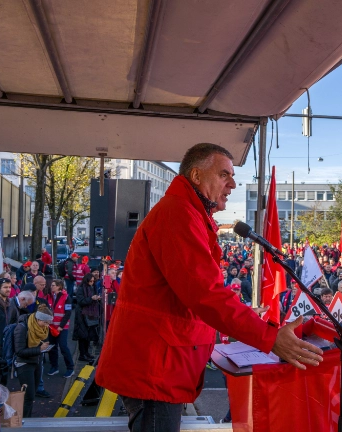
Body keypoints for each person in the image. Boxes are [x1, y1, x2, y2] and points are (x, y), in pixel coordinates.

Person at [96, 143, 323, 431]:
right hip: (154, 368)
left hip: (162, 365)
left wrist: (246, 317)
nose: (233, 183)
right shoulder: (178, 213)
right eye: (224, 174)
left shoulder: (187, 213)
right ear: (196, 176)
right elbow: (205, 294)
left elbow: (191, 294)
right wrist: (268, 337)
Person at [14, 305, 54, 418]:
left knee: (31, 395)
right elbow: (19, 351)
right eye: (45, 322)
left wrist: (43, 348)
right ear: (38, 319)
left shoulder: (41, 328)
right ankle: (24, 422)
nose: (47, 326)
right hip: (24, 364)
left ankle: (27, 419)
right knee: (28, 396)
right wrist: (39, 349)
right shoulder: (22, 328)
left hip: (36, 361)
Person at [47, 279, 75, 378]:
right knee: (52, 347)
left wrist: (61, 326)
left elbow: (68, 313)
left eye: (53, 285)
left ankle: (70, 368)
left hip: (61, 327)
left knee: (63, 346)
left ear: (59, 286)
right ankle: (54, 367)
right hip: (51, 326)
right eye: (51, 285)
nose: (51, 287)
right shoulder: (49, 296)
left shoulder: (66, 297)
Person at [74, 273, 102, 362]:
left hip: (89, 314)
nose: (92, 283)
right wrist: (91, 299)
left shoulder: (92, 288)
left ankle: (86, 353)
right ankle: (82, 354)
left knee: (88, 336)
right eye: (90, 281)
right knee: (83, 336)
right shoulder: (81, 288)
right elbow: (80, 301)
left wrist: (96, 298)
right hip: (82, 314)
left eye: (93, 281)